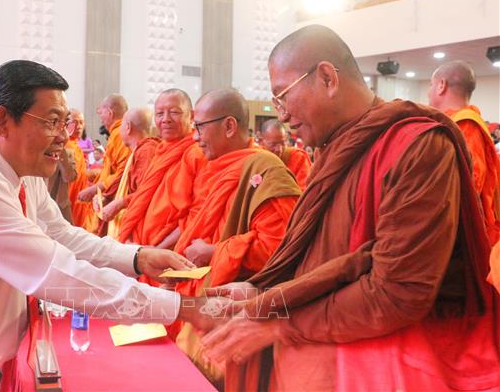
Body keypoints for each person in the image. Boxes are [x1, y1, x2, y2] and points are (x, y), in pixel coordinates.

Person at [0, 60, 223, 392]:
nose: (64, 136)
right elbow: (57, 274)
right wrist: (183, 307)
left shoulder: (21, 167)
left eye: (66, 122)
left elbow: (60, 234)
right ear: (3, 121)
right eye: (52, 122)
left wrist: (138, 257)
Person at [200, 25, 499, 391]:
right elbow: (320, 258)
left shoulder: (419, 147)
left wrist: (280, 323)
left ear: (327, 77)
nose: (282, 115)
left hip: (378, 369)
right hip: (315, 356)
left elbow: (399, 292)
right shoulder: (334, 148)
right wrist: (263, 291)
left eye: (283, 97)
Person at [172, 89, 300, 385]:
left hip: (241, 307)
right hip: (206, 295)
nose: (195, 137)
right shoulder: (218, 169)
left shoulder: (267, 171)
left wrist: (213, 251)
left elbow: (278, 250)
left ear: (229, 126)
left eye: (200, 127)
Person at [117, 88, 206, 251]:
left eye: (174, 112)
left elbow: (197, 215)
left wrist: (157, 251)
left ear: (191, 116)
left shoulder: (197, 154)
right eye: (159, 114)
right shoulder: (160, 151)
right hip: (140, 246)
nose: (166, 119)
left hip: (167, 251)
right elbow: (143, 199)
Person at [427, 60, 500, 247]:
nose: (428, 91)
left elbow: (470, 184)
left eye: (430, 85)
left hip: (461, 231)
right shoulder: (453, 121)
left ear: (441, 85)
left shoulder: (466, 124)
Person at [99, 107, 159, 238]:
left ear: (128, 127)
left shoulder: (146, 152)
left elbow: (147, 194)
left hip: (140, 229)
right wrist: (107, 197)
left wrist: (119, 203)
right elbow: (122, 182)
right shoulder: (137, 151)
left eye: (121, 125)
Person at [78, 94, 132, 233]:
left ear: (109, 112)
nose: (100, 117)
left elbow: (123, 174)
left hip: (115, 202)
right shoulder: (116, 134)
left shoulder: (119, 135)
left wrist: (96, 189)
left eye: (100, 112)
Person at [260, 119, 312, 190]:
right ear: (262, 141)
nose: (279, 149)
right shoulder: (256, 158)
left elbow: (304, 189)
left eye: (283, 143)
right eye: (273, 144)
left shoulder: (298, 157)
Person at [65, 109, 91, 227]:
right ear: (66, 123)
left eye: (81, 122)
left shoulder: (75, 145)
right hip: (69, 199)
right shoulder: (65, 145)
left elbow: (80, 174)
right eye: (74, 122)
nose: (79, 126)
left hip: (79, 198)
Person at [46, 146, 77, 223]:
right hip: (36, 202)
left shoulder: (66, 152)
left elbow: (69, 177)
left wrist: (62, 155)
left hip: (57, 204)